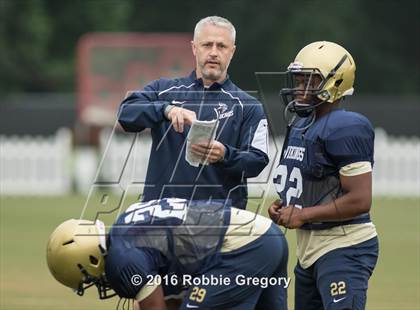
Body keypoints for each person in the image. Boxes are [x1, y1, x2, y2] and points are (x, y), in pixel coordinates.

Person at [268, 41, 379, 310]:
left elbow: (360, 200)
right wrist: (285, 207)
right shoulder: (301, 124)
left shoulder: (346, 126)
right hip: (308, 250)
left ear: (335, 83)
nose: (300, 87)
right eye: (299, 79)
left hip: (343, 245)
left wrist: (302, 215)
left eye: (311, 80)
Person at [118, 16, 269, 210]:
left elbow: (258, 160)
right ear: (194, 48)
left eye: (221, 46)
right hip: (163, 217)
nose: (214, 52)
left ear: (232, 51)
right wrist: (166, 110)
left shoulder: (249, 106)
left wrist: (225, 154)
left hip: (219, 220)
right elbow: (125, 112)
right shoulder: (164, 90)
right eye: (207, 45)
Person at [47, 198, 288, 309]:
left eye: (88, 278)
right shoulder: (124, 225)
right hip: (265, 234)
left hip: (242, 247)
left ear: (91, 258)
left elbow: (155, 307)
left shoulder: (121, 260)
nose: (97, 281)